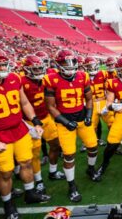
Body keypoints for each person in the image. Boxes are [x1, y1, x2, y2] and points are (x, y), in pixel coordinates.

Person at [0, 46, 51, 219]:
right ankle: (8, 204)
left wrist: (35, 121)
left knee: (27, 162)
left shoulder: (14, 78)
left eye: (3, 64)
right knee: (5, 172)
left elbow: (24, 103)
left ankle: (30, 194)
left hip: (19, 130)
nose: (2, 68)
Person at [44, 49, 99, 203]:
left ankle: (90, 168)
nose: (69, 66)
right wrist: (65, 121)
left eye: (71, 63)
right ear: (57, 64)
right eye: (64, 63)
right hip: (64, 120)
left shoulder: (83, 76)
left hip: (82, 116)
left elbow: (89, 99)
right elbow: (51, 106)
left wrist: (88, 115)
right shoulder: (51, 79)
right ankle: (72, 186)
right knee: (69, 155)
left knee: (93, 146)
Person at [22, 55, 66, 195]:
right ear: (27, 69)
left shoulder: (48, 78)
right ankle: (38, 180)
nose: (39, 71)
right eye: (35, 69)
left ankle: (52, 172)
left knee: (56, 145)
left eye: (40, 68)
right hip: (29, 122)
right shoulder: (21, 81)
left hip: (46, 118)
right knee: (33, 155)